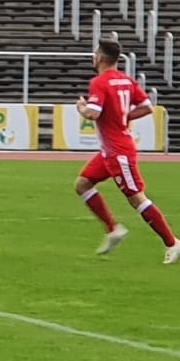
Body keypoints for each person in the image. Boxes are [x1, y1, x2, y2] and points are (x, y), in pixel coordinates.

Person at [75, 38, 179, 263]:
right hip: (110, 151)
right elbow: (147, 107)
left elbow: (93, 113)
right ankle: (113, 230)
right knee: (82, 184)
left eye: (95, 54)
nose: (94, 57)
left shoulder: (99, 82)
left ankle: (172, 243)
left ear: (101, 58)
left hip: (118, 152)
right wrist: (123, 116)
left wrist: (81, 108)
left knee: (136, 198)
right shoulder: (126, 80)